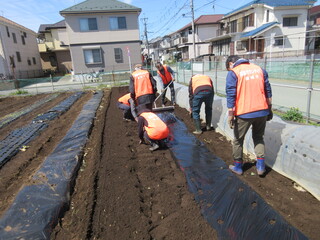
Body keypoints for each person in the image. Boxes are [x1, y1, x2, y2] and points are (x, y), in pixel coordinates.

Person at [225, 55, 272, 176]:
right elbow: (268, 90)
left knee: (238, 140)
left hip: (244, 112)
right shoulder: (259, 69)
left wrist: (231, 114)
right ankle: (261, 167)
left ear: (231, 63)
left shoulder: (234, 72)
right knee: (258, 137)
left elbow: (231, 94)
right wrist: (269, 109)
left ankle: (238, 167)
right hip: (262, 110)